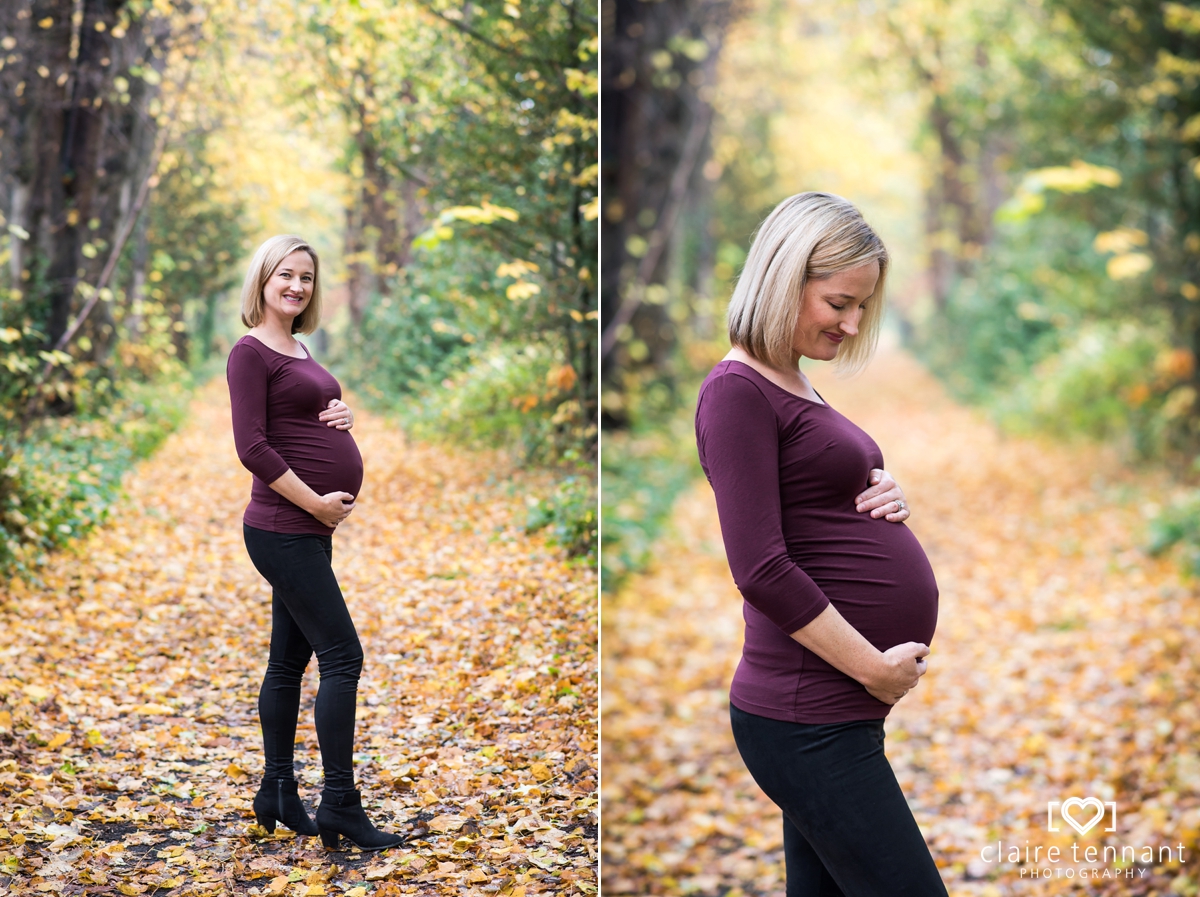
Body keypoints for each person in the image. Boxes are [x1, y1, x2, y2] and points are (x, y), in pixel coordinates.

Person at [694, 193, 947, 895]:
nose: (853, 322)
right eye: (840, 301)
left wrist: (886, 497)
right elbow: (762, 568)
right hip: (807, 714)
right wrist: (872, 667)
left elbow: (815, 502)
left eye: (862, 306)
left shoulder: (789, 380)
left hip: (826, 713)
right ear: (785, 278)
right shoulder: (736, 391)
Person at [226, 234, 402, 851]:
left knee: (287, 663)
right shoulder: (249, 352)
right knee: (343, 657)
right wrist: (316, 503)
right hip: (282, 527)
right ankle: (340, 805)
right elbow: (251, 446)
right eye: (285, 275)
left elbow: (301, 415)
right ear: (263, 281)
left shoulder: (298, 346)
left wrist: (341, 416)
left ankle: (276, 790)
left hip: (304, 531)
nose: (297, 286)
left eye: (305, 277)